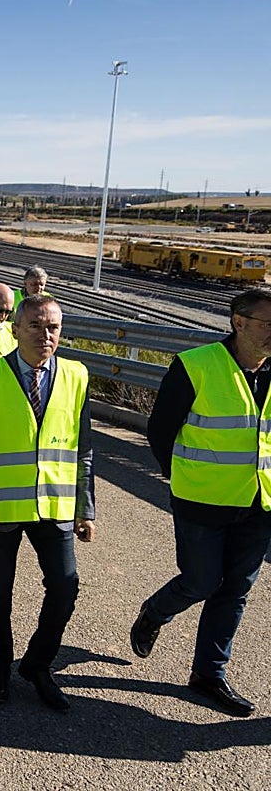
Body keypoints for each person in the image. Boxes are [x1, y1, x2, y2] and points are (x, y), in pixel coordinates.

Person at [130, 287, 271, 718]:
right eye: (269, 324)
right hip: (202, 502)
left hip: (259, 502)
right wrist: (183, 478)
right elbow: (160, 431)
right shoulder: (196, 365)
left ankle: (208, 673)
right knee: (201, 581)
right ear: (239, 322)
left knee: (236, 591)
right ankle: (155, 611)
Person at [0, 296, 95, 712]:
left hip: (55, 505)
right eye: (37, 326)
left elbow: (84, 448)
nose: (47, 335)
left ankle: (38, 665)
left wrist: (85, 506)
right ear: (15, 329)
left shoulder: (77, 375)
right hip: (2, 508)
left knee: (65, 587)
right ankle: (0, 668)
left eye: (54, 327)